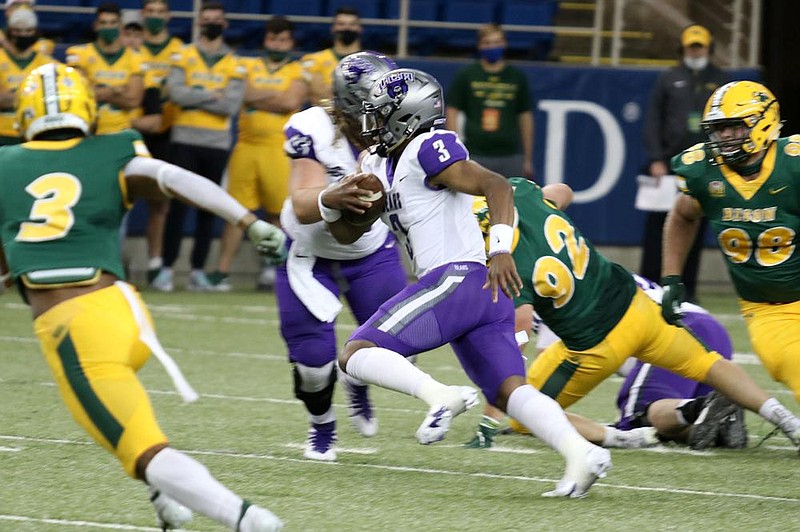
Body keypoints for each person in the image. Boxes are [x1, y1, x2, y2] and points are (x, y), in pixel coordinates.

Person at [0, 63, 284, 531]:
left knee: (144, 450)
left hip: (75, 327)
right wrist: (247, 221)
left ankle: (248, 520)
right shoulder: (113, 147)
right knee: (122, 422)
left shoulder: (7, 164)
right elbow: (177, 179)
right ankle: (165, 502)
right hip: (125, 311)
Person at [329, 68, 612, 498]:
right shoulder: (375, 163)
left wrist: (500, 249)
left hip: (458, 279)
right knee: (511, 392)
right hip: (482, 295)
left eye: (383, 114)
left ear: (407, 115)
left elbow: (496, 185)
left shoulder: (427, 147)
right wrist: (338, 205)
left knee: (355, 354)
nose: (374, 123)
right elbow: (349, 233)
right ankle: (580, 455)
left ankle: (440, 395)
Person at [460, 173, 800, 453]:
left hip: (597, 345)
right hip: (639, 308)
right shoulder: (522, 193)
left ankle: (619, 437)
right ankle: (787, 420)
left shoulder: (506, 262)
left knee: (522, 413)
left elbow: (519, 330)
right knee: (710, 364)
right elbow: (562, 191)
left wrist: (501, 387)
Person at [276, 51, 407, 462]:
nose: (386, 114)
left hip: (370, 250)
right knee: (313, 367)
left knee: (398, 347)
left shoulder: (402, 131)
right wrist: (330, 197)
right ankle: (322, 425)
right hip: (310, 252)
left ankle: (356, 378)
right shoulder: (312, 127)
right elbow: (301, 203)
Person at [663, 80, 800, 416]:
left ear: (764, 122)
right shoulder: (704, 172)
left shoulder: (793, 164)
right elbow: (682, 216)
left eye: (733, 128)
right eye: (719, 130)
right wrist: (671, 278)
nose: (724, 138)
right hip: (771, 308)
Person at [208, 16, 308, 292]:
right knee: (236, 212)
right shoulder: (247, 64)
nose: (278, 43)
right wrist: (270, 99)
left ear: (291, 42)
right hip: (245, 148)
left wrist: (255, 97)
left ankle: (272, 271)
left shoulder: (299, 70)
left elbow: (291, 100)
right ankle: (221, 272)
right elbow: (241, 92)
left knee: (279, 213)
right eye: (273, 38)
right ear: (266, 40)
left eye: (283, 39)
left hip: (279, 149)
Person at [151, 1, 245, 292]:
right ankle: (166, 269)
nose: (212, 24)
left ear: (224, 24)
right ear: (199, 23)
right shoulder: (183, 56)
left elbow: (231, 104)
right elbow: (176, 94)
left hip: (216, 145)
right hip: (184, 141)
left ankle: (198, 272)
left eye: (217, 19)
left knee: (209, 208)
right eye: (207, 19)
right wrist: (210, 95)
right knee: (178, 206)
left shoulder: (235, 62)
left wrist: (197, 95)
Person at [640, 24, 728, 303]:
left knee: (695, 223)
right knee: (658, 225)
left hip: (704, 163)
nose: (695, 51)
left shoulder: (721, 80)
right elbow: (654, 118)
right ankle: (651, 283)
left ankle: (687, 287)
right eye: (691, 46)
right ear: (683, 48)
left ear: (708, 48)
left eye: (699, 46)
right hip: (669, 164)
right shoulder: (669, 78)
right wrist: (655, 158)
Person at [445, 23, 534, 180]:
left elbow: (525, 117)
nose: (493, 47)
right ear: (480, 45)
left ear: (505, 44)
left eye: (497, 42)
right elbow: (452, 111)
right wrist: (456, 151)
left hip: (510, 154)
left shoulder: (516, 76)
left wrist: (527, 158)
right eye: (487, 43)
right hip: (475, 152)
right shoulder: (467, 75)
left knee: (512, 202)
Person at [136, 0, 184, 286]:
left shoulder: (179, 50)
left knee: (160, 202)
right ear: (143, 15)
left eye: (159, 12)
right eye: (149, 12)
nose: (154, 17)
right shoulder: (132, 47)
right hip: (133, 129)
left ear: (168, 16)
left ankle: (156, 264)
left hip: (166, 132)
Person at [66, 2, 144, 135]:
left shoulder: (136, 58)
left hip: (122, 132)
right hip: (88, 131)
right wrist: (114, 91)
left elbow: (133, 101)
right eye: (103, 23)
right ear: (95, 26)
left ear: (120, 26)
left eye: (113, 23)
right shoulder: (78, 53)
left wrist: (97, 91)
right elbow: (79, 95)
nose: (108, 27)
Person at [0, 6, 53, 146]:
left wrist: (12, 94)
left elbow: (51, 101)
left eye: (28, 31)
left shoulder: (47, 63)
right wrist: (34, 95)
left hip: (34, 132)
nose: (23, 35)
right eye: (18, 31)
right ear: (10, 31)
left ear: (35, 32)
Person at [300, 6, 362, 105]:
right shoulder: (313, 59)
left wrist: (329, 89)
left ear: (360, 28)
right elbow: (315, 97)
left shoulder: (371, 61)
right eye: (341, 24)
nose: (347, 28)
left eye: (352, 24)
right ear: (333, 28)